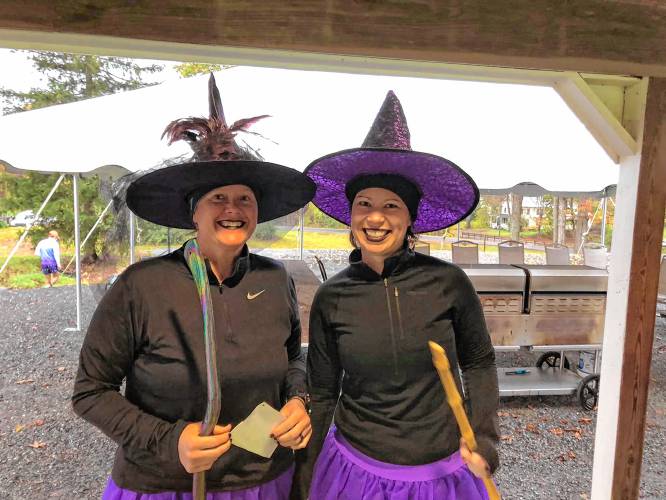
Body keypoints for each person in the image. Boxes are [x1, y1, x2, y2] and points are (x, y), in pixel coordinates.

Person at [72, 74, 315, 499]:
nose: (233, 209)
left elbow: (293, 358)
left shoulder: (275, 280)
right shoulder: (142, 286)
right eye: (218, 198)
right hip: (165, 483)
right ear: (193, 213)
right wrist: (171, 441)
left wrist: (298, 400)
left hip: (262, 480)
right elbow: (91, 392)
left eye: (244, 199)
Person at [295, 91, 499, 499]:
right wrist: (303, 484)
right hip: (355, 470)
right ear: (350, 216)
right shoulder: (332, 296)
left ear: (410, 219)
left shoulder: (449, 283)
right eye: (364, 204)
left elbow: (479, 363)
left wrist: (485, 439)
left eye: (391, 206)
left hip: (440, 472)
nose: (375, 217)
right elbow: (321, 391)